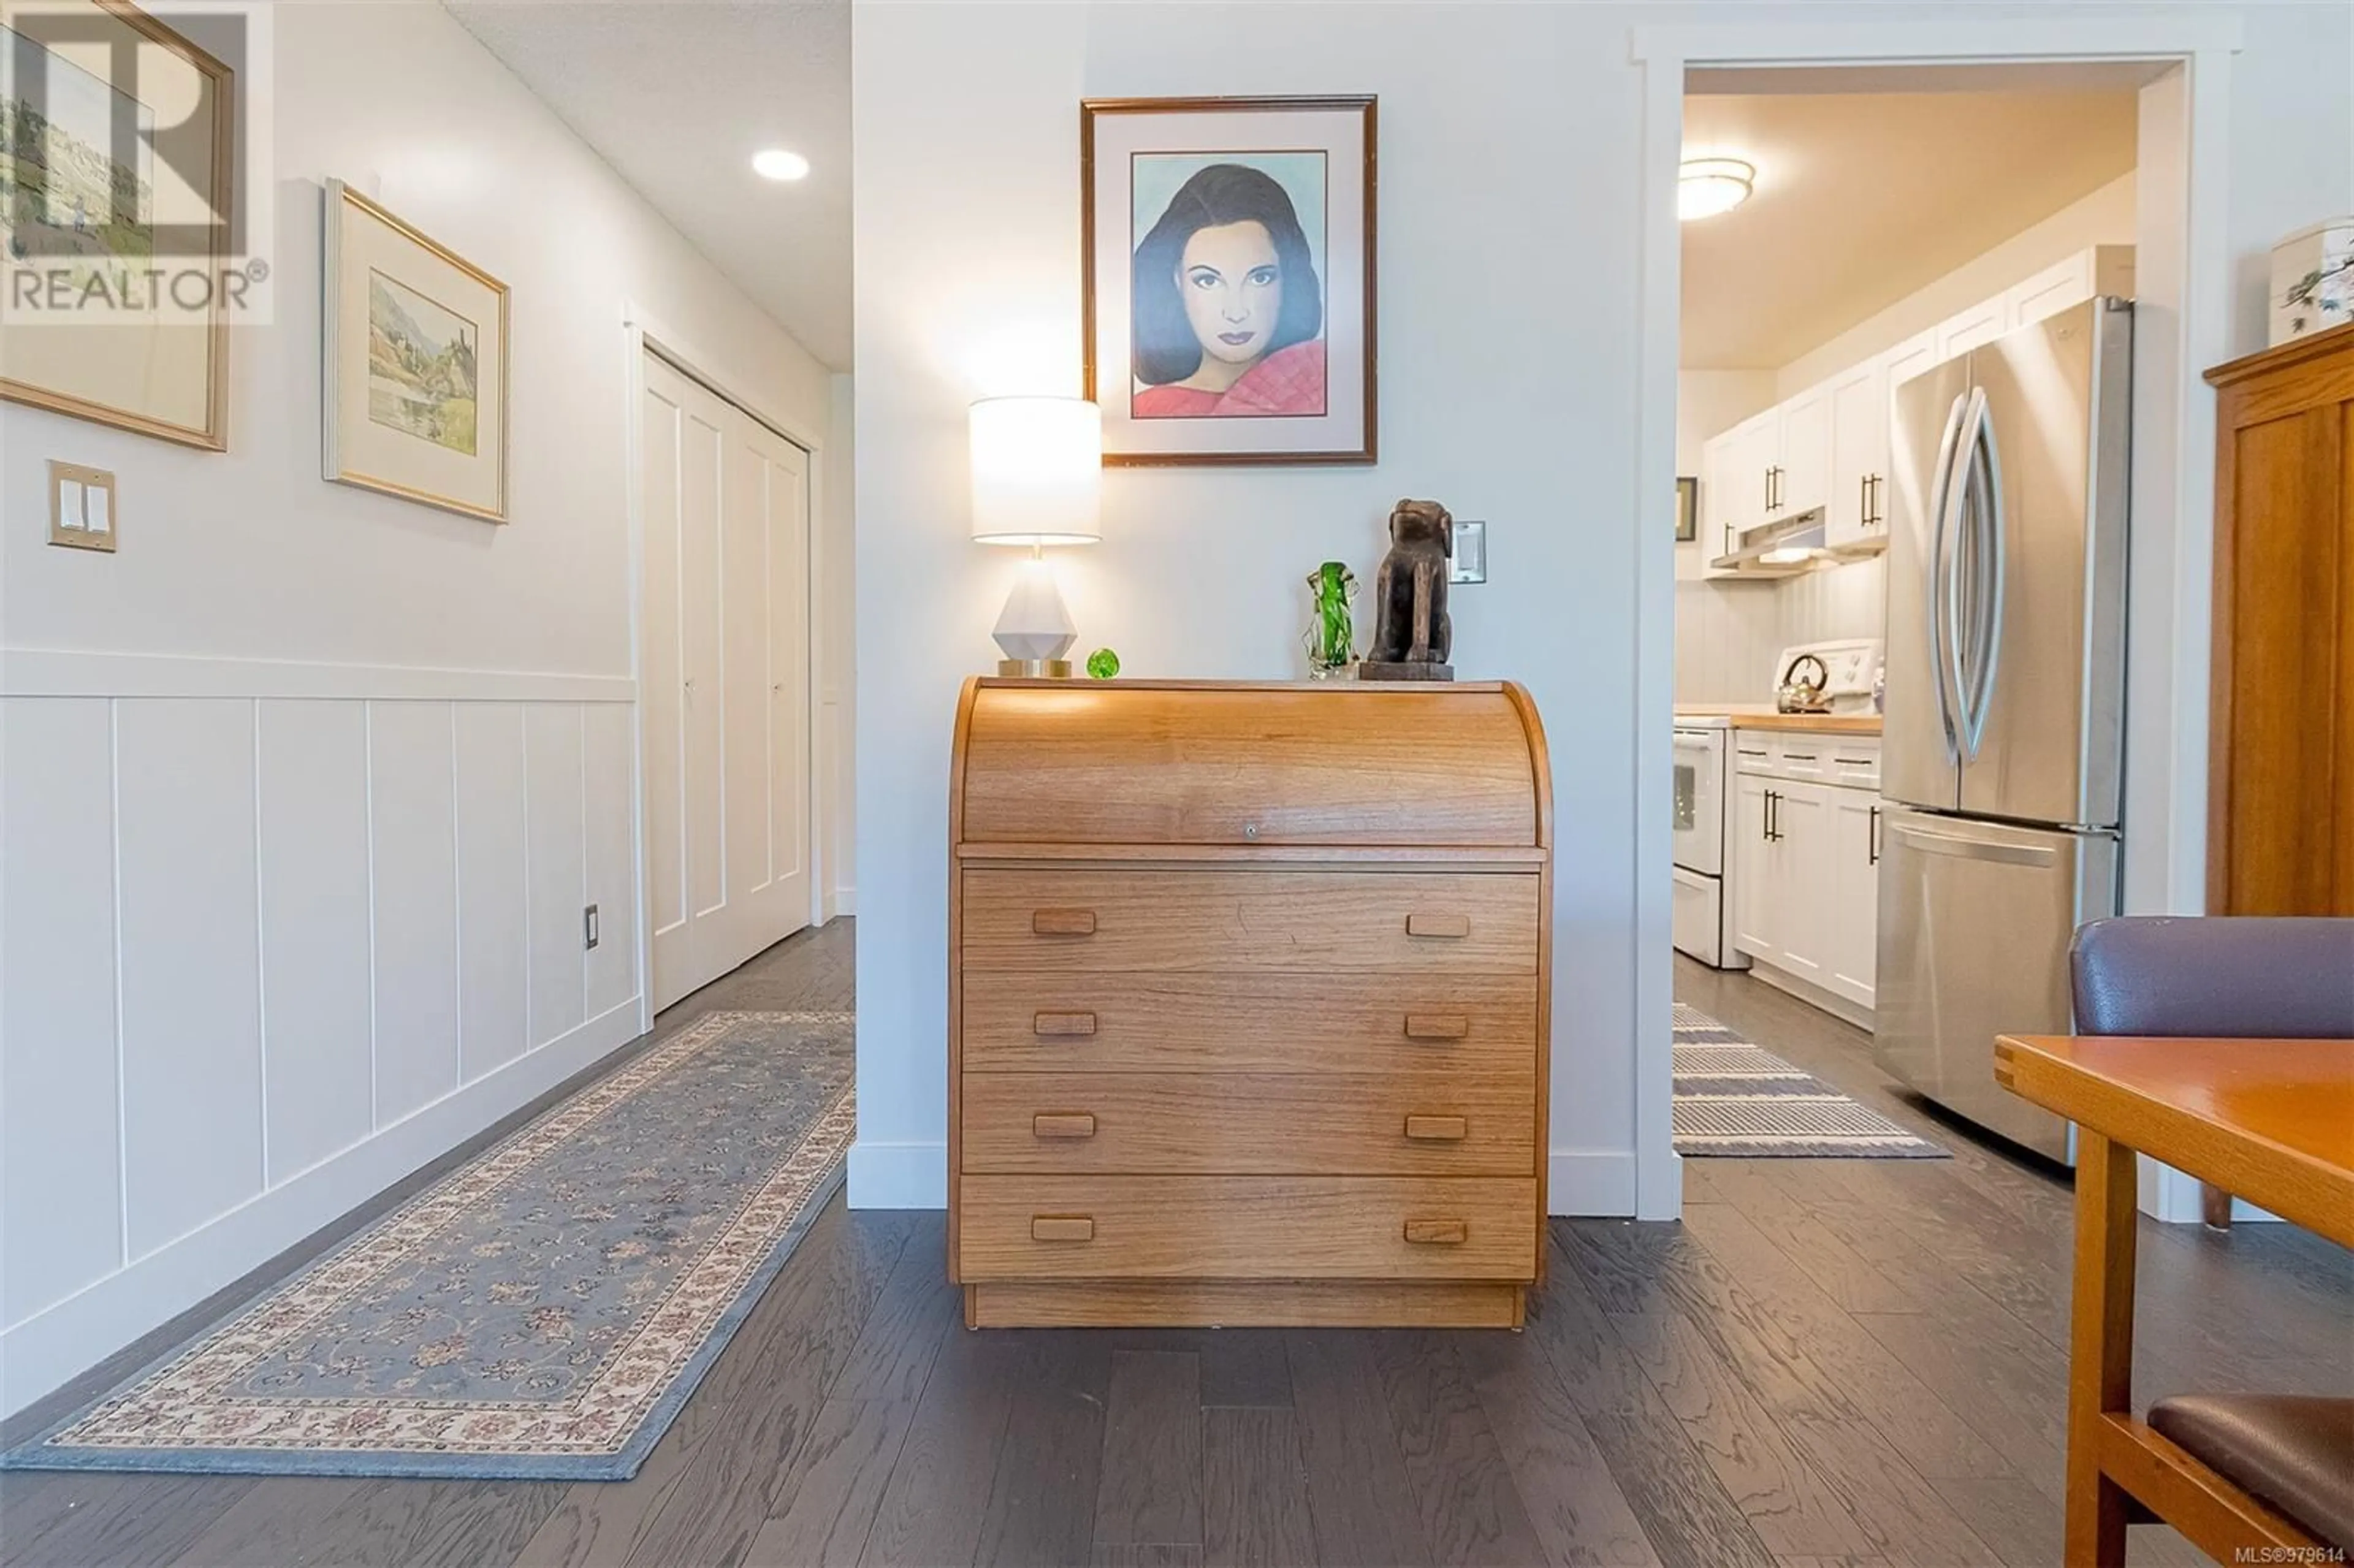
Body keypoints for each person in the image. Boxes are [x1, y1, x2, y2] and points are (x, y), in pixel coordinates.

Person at [1130, 163, 1325, 418]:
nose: (1236, 312)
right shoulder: (1145, 413)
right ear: (1178, 281)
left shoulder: (1327, 390)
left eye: (1260, 278)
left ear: (1287, 279)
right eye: (1208, 282)